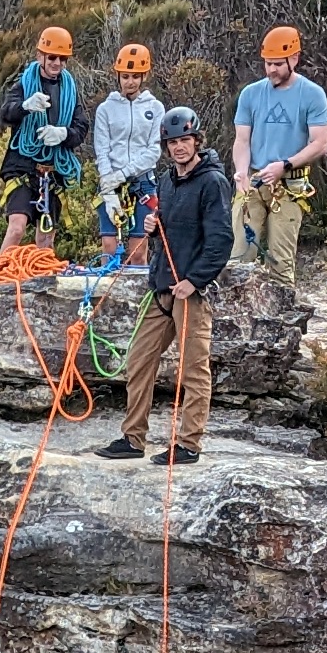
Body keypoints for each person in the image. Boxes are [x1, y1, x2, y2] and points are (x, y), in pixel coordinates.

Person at [100, 104, 230, 463]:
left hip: (191, 293)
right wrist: (154, 231)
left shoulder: (213, 182)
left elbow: (220, 240)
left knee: (193, 370)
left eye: (185, 140)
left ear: (197, 141)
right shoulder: (167, 181)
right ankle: (132, 439)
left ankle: (189, 444)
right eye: (172, 142)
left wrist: (194, 280)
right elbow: (174, 233)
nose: (179, 147)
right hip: (161, 289)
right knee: (139, 360)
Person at [230, 26, 327, 282]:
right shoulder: (251, 94)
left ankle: (284, 319)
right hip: (253, 182)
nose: (271, 69)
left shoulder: (312, 95)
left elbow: (320, 143)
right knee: (239, 259)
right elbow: (242, 140)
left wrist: (285, 165)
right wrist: (241, 171)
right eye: (267, 63)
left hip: (289, 184)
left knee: (280, 263)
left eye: (277, 64)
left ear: (294, 59)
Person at [0, 27, 87, 259]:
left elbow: (81, 127)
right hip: (23, 166)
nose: (57, 63)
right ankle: (1, 273)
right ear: (40, 56)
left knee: (46, 237)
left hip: (53, 170)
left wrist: (63, 134)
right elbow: (5, 113)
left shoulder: (70, 90)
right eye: (52, 57)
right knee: (17, 226)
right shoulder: (24, 84)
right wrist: (25, 106)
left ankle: (42, 279)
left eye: (62, 59)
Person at [89, 41, 164, 252]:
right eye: (125, 76)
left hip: (143, 183)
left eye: (135, 77)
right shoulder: (106, 109)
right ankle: (105, 284)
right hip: (111, 182)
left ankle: (139, 285)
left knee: (138, 250)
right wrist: (108, 183)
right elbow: (101, 150)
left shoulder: (155, 108)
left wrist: (124, 173)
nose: (130, 82)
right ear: (118, 76)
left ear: (144, 77)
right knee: (109, 245)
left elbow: (154, 151)